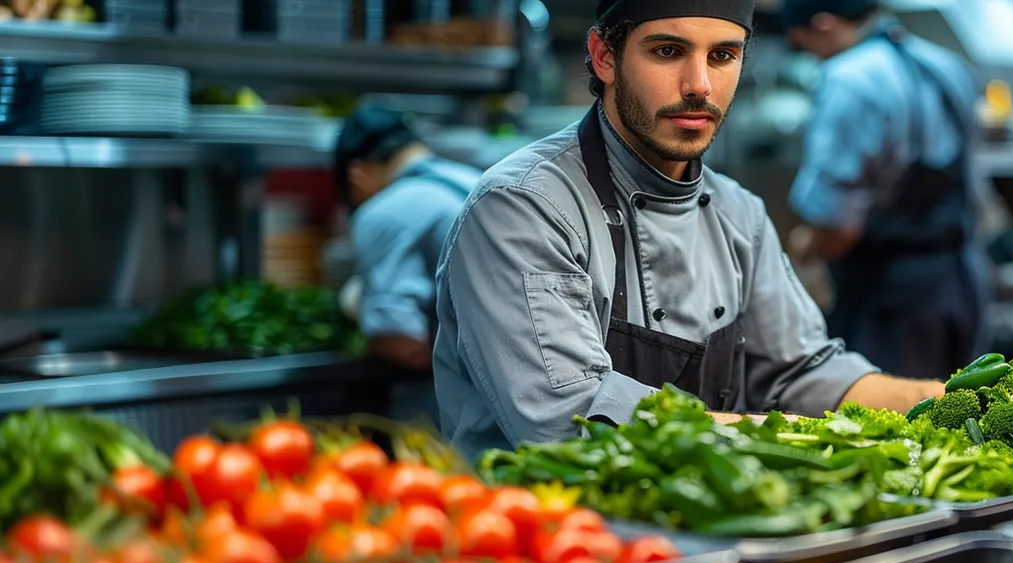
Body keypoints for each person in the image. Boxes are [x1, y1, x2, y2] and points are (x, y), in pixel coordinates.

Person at [432, 0, 945, 456]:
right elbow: (569, 418)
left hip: (696, 534)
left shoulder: (738, 213)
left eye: (722, 56)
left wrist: (948, 400)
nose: (699, 85)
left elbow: (803, 373)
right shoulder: (523, 207)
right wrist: (784, 435)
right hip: (547, 538)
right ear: (605, 56)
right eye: (668, 51)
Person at [780, 0, 990, 381]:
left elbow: (837, 228)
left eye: (803, 43)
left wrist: (804, 250)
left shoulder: (850, 79)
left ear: (825, 24)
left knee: (889, 427)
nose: (809, 56)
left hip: (889, 301)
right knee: (958, 418)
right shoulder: (945, 65)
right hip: (958, 282)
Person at [335, 107, 482, 371]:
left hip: (477, 389)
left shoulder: (382, 213)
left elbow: (402, 344)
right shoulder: (477, 179)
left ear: (355, 173)